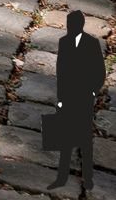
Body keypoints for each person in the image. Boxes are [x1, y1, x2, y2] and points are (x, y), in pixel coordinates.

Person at [52, 10, 106, 194]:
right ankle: (62, 177)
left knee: (85, 138)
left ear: (80, 25)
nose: (70, 27)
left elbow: (99, 71)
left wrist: (92, 91)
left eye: (73, 24)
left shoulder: (91, 43)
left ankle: (88, 178)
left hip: (84, 96)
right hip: (68, 96)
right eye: (69, 24)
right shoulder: (64, 42)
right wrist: (60, 97)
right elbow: (61, 72)